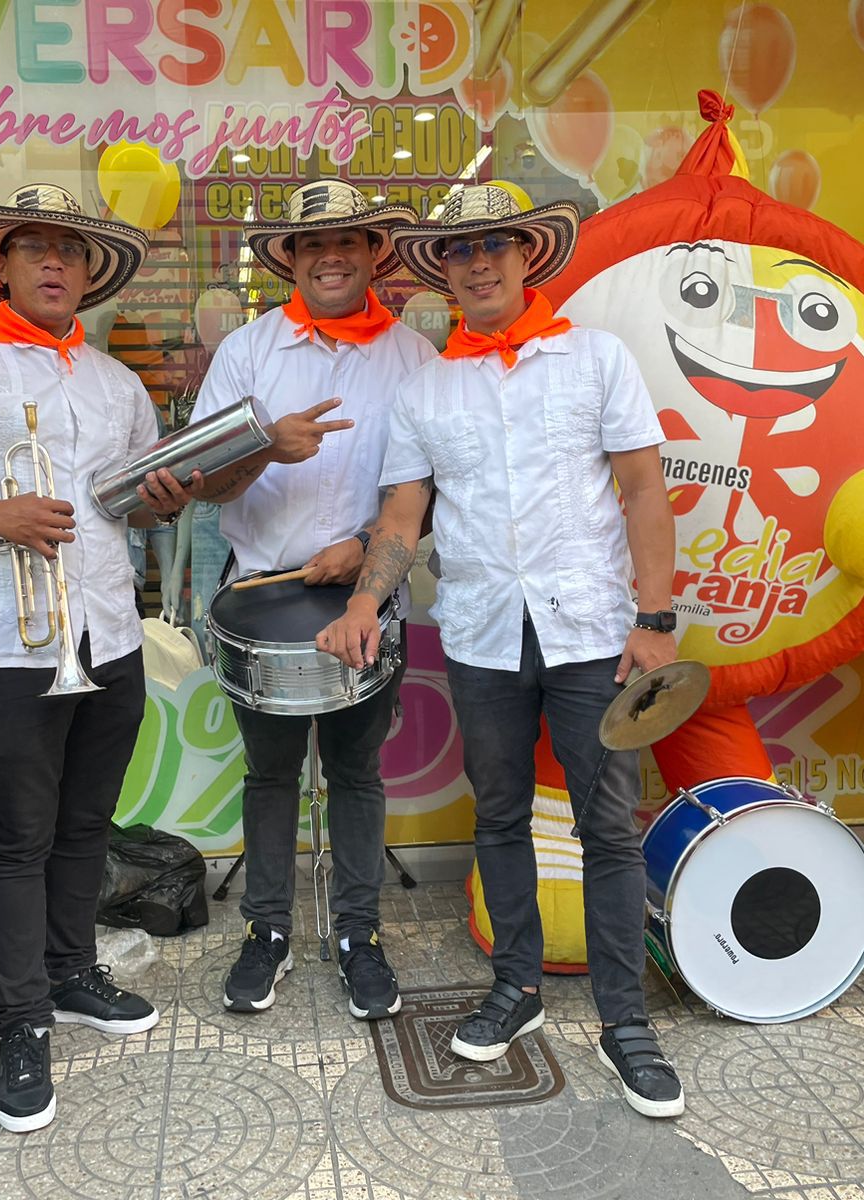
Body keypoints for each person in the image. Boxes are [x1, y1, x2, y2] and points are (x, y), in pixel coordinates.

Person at [317, 184, 686, 1118]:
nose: (478, 263)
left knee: (608, 825)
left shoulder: (597, 358)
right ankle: (516, 987)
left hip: (591, 631)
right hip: (482, 631)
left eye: (495, 245)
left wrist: (654, 618)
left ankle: (624, 1019)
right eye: (460, 250)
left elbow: (644, 491)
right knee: (500, 816)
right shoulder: (426, 389)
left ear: (527, 256)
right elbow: (403, 515)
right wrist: (364, 599)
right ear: (441, 270)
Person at [0, 185, 199, 1134]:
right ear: (3, 264)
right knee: (19, 836)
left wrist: (166, 498)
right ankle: (19, 1019)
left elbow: (132, 498)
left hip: (108, 633)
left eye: (72, 248)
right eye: (34, 247)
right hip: (5, 642)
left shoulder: (116, 383)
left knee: (86, 824)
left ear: (92, 272)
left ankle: (69, 972)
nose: (55, 261)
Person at [191, 180, 433, 1018]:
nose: (331, 256)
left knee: (357, 774)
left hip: (367, 597)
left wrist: (366, 550)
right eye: (314, 243)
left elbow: (430, 492)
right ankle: (267, 931)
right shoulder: (247, 353)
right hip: (261, 602)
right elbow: (199, 481)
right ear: (290, 257)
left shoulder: (413, 358)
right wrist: (264, 445)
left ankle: (359, 935)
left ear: (372, 254)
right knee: (270, 776)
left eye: (348, 241)